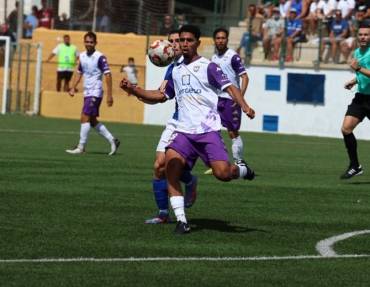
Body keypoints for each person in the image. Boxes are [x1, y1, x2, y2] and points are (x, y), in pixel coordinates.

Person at [121, 25, 256, 234]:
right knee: (169, 169)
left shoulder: (208, 67)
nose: (184, 44)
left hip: (207, 131)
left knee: (223, 173)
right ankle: (181, 221)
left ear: (198, 43)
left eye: (189, 40)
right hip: (183, 131)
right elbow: (159, 96)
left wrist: (244, 106)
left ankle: (243, 170)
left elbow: (231, 87)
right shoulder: (175, 70)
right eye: (182, 40)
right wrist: (134, 89)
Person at [144, 30, 197, 224]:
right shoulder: (173, 67)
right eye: (172, 41)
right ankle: (163, 214)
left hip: (191, 124)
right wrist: (137, 92)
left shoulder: (195, 64)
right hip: (175, 120)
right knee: (159, 167)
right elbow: (160, 95)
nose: (174, 45)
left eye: (178, 41)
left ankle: (189, 183)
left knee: (167, 166)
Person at [204, 27, 252, 175]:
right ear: (214, 40)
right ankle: (217, 162)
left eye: (223, 38)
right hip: (217, 100)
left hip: (231, 100)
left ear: (227, 40)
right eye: (218, 38)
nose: (220, 40)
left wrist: (240, 98)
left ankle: (239, 161)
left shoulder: (233, 56)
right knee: (212, 130)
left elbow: (245, 77)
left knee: (232, 132)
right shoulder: (213, 58)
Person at [66, 31, 120, 156]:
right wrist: (73, 87)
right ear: (84, 42)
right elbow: (79, 72)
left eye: (91, 42)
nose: (89, 44)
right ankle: (113, 140)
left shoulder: (100, 57)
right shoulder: (82, 56)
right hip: (87, 92)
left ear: (95, 43)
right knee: (91, 120)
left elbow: (108, 75)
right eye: (87, 41)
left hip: (95, 92)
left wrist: (109, 95)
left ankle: (81, 147)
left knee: (84, 117)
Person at [340, 25, 370, 179]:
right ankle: (355, 166)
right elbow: (363, 74)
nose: (363, 37)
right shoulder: (358, 52)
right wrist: (354, 81)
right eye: (361, 34)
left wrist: (358, 69)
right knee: (346, 129)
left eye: (366, 34)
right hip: (361, 98)